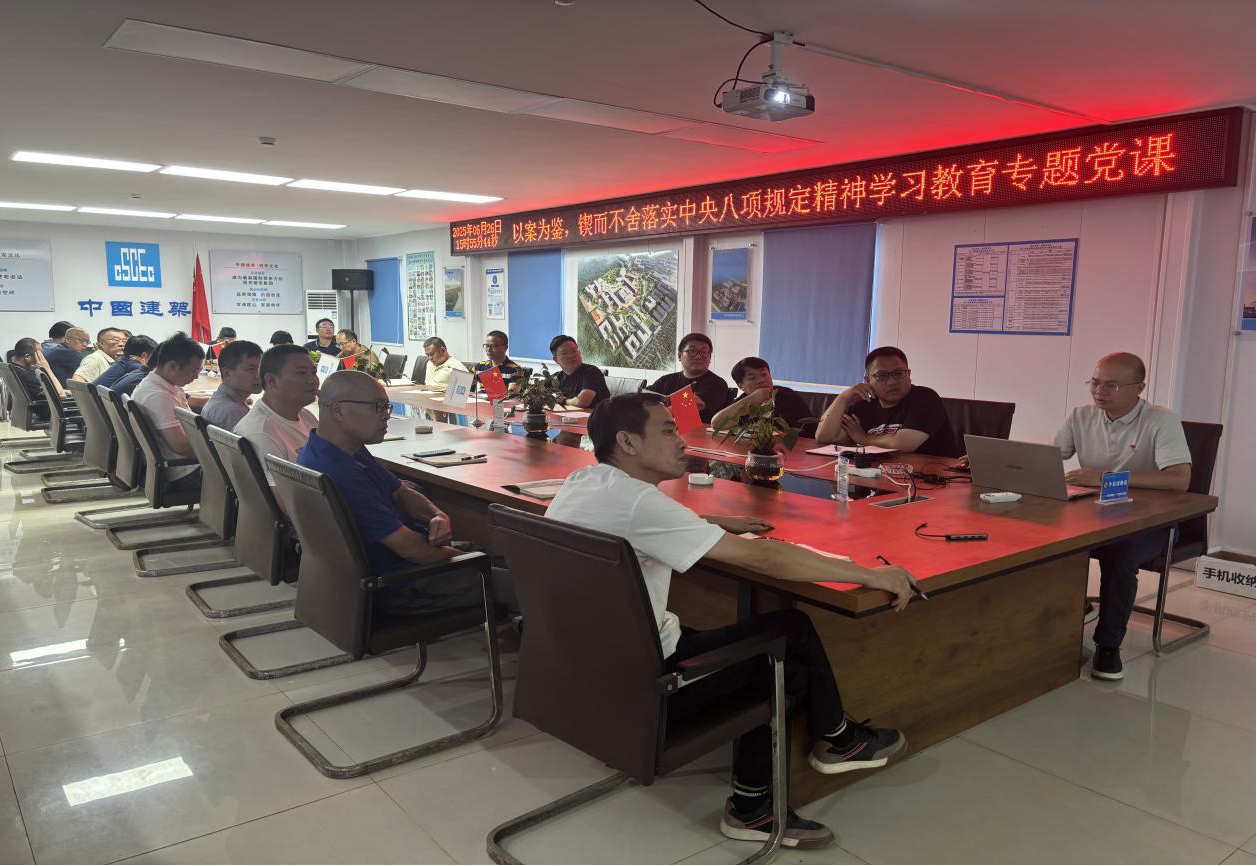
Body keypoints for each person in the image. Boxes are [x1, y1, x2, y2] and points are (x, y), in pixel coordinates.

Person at [547, 393, 915, 848]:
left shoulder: (585, 482)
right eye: (668, 430)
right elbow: (766, 559)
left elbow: (635, 519)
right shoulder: (641, 504)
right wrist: (871, 575)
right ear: (628, 442)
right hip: (648, 687)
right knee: (789, 636)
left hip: (582, 674)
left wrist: (706, 522)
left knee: (783, 658)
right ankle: (805, 768)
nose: (682, 441)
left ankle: (807, 763)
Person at [298, 370, 516, 615]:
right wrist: (475, 563)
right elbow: (414, 550)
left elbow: (400, 492)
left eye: (387, 407)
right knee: (535, 587)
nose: (386, 415)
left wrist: (436, 515)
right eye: (378, 407)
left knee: (511, 562)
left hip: (405, 563)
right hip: (402, 582)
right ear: (338, 410)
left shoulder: (337, 449)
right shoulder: (339, 473)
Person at [1056, 352, 1192, 681]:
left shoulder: (1161, 420)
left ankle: (1108, 644)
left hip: (1152, 522)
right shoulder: (1081, 416)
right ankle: (1063, 618)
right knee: (1045, 537)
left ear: (1139, 388)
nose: (1099, 391)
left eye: (1112, 385)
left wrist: (1105, 477)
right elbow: (1049, 455)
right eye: (1095, 383)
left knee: (1119, 553)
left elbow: (1179, 479)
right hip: (1093, 516)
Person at [816, 347, 960, 457]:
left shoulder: (925, 398)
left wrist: (864, 438)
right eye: (881, 375)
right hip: (877, 476)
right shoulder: (863, 404)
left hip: (931, 479)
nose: (891, 382)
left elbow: (902, 444)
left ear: (909, 374)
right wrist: (843, 398)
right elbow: (824, 437)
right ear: (868, 380)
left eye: (898, 374)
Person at [235, 344, 320, 486]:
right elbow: (282, 496)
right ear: (271, 380)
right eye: (301, 373)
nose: (313, 380)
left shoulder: (305, 415)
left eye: (314, 372)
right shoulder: (261, 433)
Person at [129, 332, 205, 494]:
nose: (196, 377)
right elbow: (182, 447)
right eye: (194, 371)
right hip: (186, 472)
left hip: (186, 465)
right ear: (172, 366)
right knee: (251, 474)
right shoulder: (158, 396)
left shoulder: (162, 384)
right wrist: (219, 453)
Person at [710, 357, 817, 437]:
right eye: (752, 378)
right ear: (741, 386)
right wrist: (752, 399)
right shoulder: (745, 400)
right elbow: (716, 424)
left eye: (764, 374)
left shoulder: (788, 396)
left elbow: (809, 433)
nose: (761, 380)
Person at [647, 333, 730, 423]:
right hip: (663, 428)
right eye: (692, 351)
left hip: (699, 431)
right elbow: (644, 396)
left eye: (704, 352)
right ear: (679, 356)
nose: (698, 357)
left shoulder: (717, 383)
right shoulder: (666, 380)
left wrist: (657, 413)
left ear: (709, 357)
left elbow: (696, 403)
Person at [200, 341, 263, 431]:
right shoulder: (233, 412)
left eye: (261, 368)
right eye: (251, 369)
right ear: (227, 373)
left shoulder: (218, 398)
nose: (259, 375)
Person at [549, 334, 609, 409]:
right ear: (556, 360)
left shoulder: (592, 372)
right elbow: (539, 396)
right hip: (567, 416)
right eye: (565, 353)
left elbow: (582, 402)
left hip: (595, 416)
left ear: (579, 352)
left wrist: (564, 401)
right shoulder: (556, 378)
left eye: (574, 351)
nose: (571, 355)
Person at [9, 338, 55, 420]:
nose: (42, 358)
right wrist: (47, 369)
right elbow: (55, 394)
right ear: (27, 357)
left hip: (24, 412)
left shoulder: (12, 369)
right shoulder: (28, 377)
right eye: (40, 354)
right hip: (48, 413)